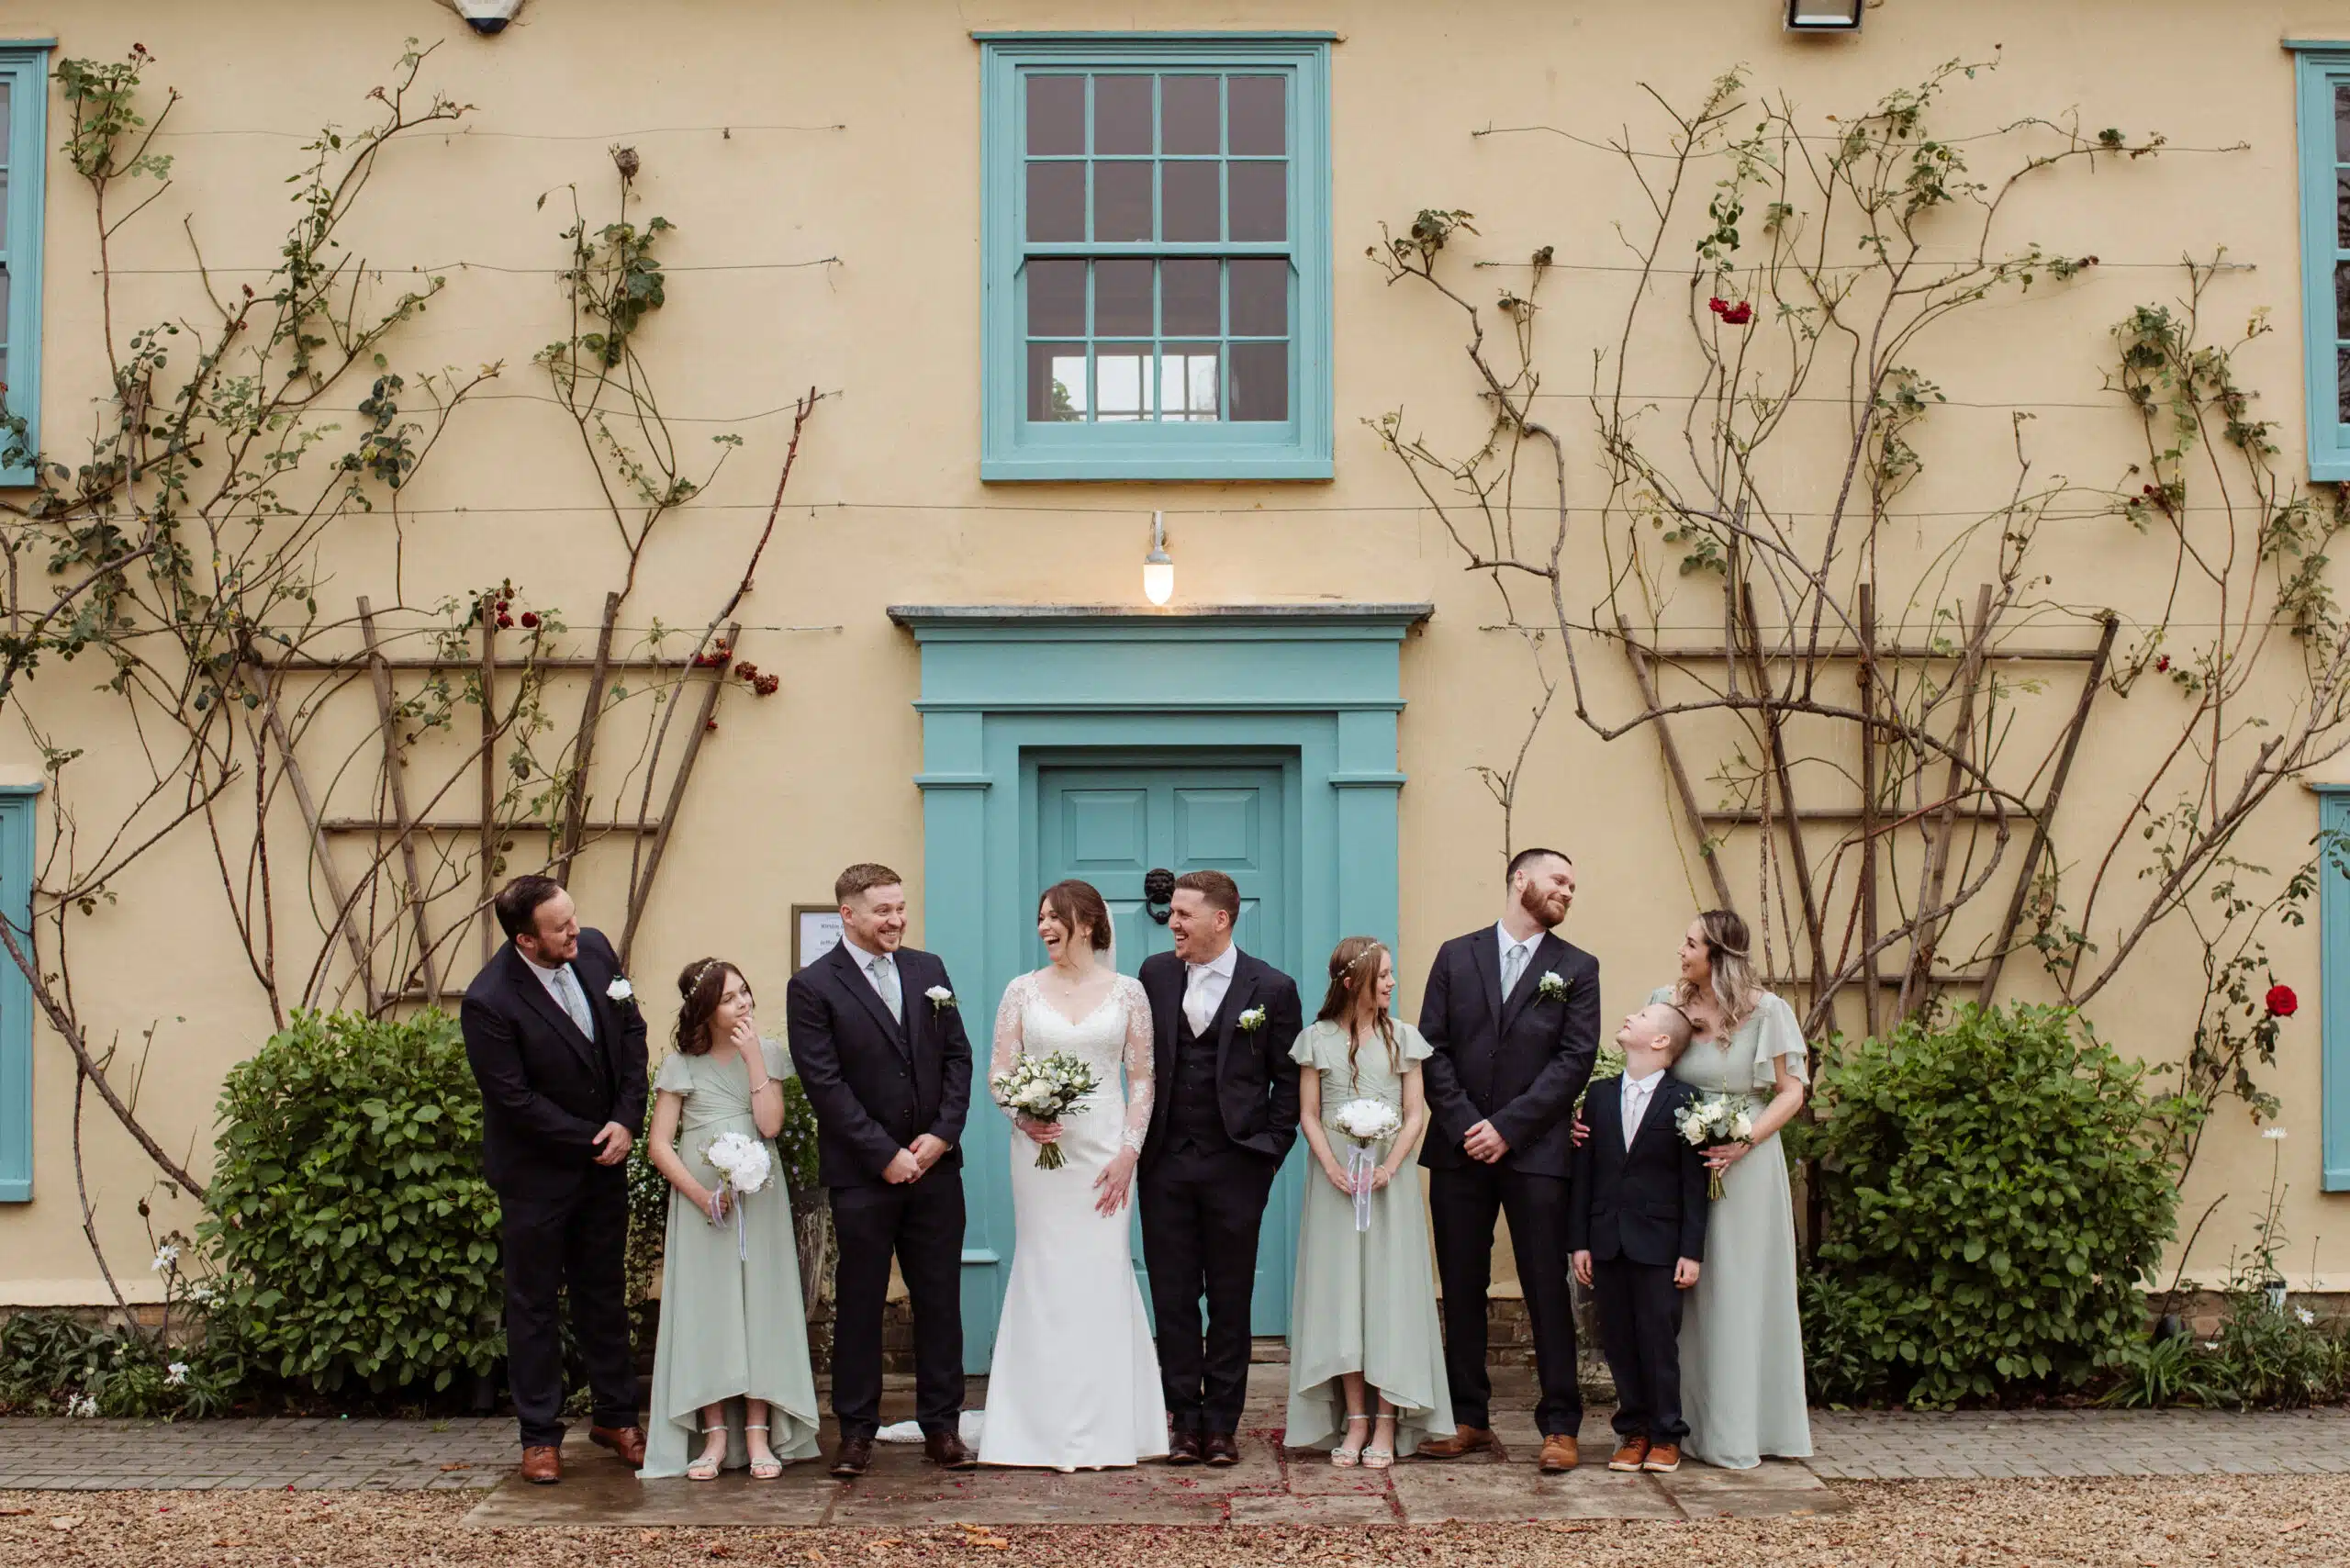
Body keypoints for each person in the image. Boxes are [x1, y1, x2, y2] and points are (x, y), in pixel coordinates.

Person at [784, 863, 976, 1478]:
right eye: (883, 911)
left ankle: (942, 1428)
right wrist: (883, 1153)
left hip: (936, 1171)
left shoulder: (930, 970)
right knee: (862, 1305)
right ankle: (857, 1432)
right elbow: (825, 1084)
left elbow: (958, 1058)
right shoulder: (813, 986)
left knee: (940, 1302)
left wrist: (941, 1136)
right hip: (864, 1177)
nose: (897, 920)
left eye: (900, 908)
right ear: (848, 915)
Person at [459, 875, 650, 1486]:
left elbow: (633, 1037)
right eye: (560, 927)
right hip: (536, 1177)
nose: (576, 931)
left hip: (605, 1166)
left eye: (573, 918)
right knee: (534, 1305)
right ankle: (539, 1437)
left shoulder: (594, 950)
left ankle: (616, 1418)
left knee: (604, 1294)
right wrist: (594, 1138)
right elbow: (513, 1100)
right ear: (525, 939)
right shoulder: (489, 1000)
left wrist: (626, 1120)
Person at [1416, 846, 1600, 1472]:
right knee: (1461, 1285)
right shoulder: (1454, 955)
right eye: (1559, 880)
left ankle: (1560, 1425)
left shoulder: (1578, 968)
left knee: (1546, 1285)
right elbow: (1432, 1049)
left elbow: (1574, 1060)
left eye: (1573, 886)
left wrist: (1509, 1128)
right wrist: (1471, 1124)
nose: (1568, 892)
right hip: (1458, 1149)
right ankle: (1469, 1419)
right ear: (1520, 880)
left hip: (1537, 1153)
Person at [979, 879, 1168, 1471]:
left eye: (1051, 917)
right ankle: (1033, 1425)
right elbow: (999, 1072)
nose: (1043, 927)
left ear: (1085, 923)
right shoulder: (1020, 992)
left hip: (1106, 1151)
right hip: (1039, 1155)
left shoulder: (1129, 993)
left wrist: (1129, 1152)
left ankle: (1107, 1425)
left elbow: (1141, 1080)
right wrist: (1023, 1114)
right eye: (1039, 917)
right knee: (1043, 1268)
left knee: (1101, 1269)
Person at [1136, 868, 1304, 1466]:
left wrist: (1267, 1154)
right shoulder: (1154, 975)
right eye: (1173, 913)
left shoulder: (1273, 988)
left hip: (1237, 1167)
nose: (1171, 922)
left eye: (1182, 914)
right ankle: (1183, 1420)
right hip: (1164, 1165)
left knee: (1230, 1298)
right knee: (1174, 1295)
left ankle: (1224, 1423)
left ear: (1220, 919)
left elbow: (1289, 1082)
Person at [640, 959, 822, 1481]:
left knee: (759, 1307)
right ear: (705, 1010)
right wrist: (701, 1196)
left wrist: (751, 1059)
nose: (743, 1003)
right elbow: (658, 1144)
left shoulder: (766, 1055)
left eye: (745, 992)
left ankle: (760, 1434)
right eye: (729, 998)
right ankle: (715, 1436)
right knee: (709, 1311)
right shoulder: (681, 1064)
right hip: (703, 1206)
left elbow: (770, 1126)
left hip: (760, 1198)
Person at [1649, 909, 1812, 1470]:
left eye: (1690, 942)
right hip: (1679, 1163)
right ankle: (1683, 1424)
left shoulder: (1770, 1012)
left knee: (1741, 1291)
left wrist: (1746, 1141)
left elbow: (1792, 1092)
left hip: (1749, 1171)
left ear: (1717, 954)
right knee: (1688, 1292)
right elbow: (1640, 1074)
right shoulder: (1667, 1003)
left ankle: (1748, 1427)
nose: (1681, 950)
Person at [1284, 937, 1452, 1467]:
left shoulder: (1404, 1038)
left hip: (1388, 1181)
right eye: (1383, 975)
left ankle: (1387, 1420)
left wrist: (1389, 1167)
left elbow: (1416, 1112)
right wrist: (1332, 1167)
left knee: (1388, 1293)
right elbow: (1309, 1113)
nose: (1392, 984)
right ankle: (1354, 1421)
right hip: (1334, 1180)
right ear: (1352, 980)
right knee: (1342, 1297)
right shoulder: (1315, 1040)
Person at [1569, 1001, 1709, 1476]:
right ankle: (1633, 1431)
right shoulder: (1599, 1095)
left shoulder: (1686, 1101)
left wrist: (1692, 1251)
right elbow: (1583, 1174)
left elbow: (1694, 1184)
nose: (1629, 1015)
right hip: (1607, 1238)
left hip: (1660, 1243)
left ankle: (1667, 1433)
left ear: (1661, 1041)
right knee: (1619, 1340)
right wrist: (1580, 1241)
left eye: (1643, 1016)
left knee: (1657, 1338)